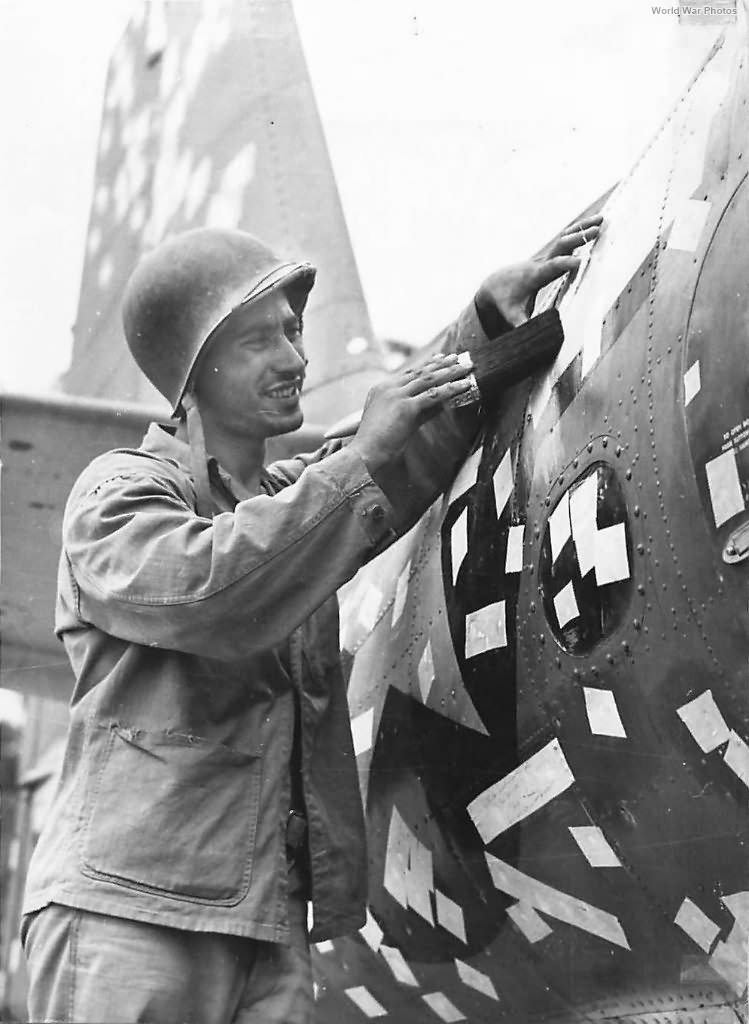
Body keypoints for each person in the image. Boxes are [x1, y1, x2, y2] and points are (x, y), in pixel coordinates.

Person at [21, 218, 600, 1024]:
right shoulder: (117, 493)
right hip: (132, 913)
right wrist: (358, 458)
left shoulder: (284, 502)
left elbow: (396, 463)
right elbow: (209, 590)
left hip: (268, 921)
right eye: (260, 342)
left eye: (293, 333)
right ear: (192, 369)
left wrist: (486, 327)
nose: (295, 360)